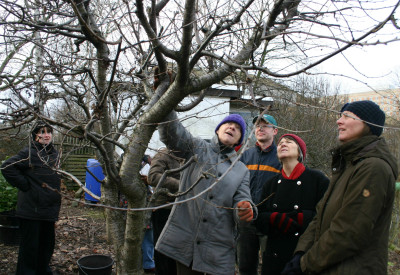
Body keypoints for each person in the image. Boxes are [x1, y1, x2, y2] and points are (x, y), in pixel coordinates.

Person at [282, 100, 398, 275]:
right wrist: (300, 254)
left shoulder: (373, 168)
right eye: (340, 116)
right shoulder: (347, 165)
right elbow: (320, 216)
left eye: (347, 116)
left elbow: (350, 231)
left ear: (368, 124)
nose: (338, 121)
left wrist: (305, 264)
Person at [155, 112, 256, 275]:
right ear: (217, 129)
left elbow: (242, 199)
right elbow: (173, 134)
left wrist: (244, 209)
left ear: (239, 141)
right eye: (228, 123)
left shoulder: (241, 170)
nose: (232, 127)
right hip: (185, 243)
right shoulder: (197, 147)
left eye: (238, 128)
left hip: (218, 250)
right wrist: (166, 100)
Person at [255, 134, 329, 275]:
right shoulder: (270, 184)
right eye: (281, 142)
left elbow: (326, 216)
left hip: (304, 257)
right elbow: (259, 218)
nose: (283, 144)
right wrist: (274, 219)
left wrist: (301, 218)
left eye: (289, 142)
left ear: (300, 152)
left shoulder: (317, 180)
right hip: (274, 258)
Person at [1, 120, 61, 275]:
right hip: (31, 209)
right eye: (42, 132)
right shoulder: (29, 152)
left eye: (48, 131)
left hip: (48, 209)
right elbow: (7, 167)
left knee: (47, 245)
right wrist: (26, 186)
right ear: (36, 136)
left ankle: (43, 270)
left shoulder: (54, 153)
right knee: (30, 248)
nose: (46, 135)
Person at [237, 114, 282, 275]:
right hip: (246, 219)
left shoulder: (281, 157)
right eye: (257, 125)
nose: (260, 128)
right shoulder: (246, 155)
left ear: (275, 131)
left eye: (265, 125)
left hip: (270, 220)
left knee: (271, 266)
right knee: (245, 265)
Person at [148, 147, 183, 275]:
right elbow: (153, 177)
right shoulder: (163, 155)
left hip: (182, 209)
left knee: (177, 252)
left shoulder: (187, 155)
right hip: (164, 209)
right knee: (163, 251)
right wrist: (181, 184)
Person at [140, 155, 156, 273]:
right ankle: (148, 263)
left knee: (147, 235)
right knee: (147, 235)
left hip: (144, 203)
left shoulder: (144, 161)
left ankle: (146, 261)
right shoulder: (135, 163)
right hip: (142, 205)